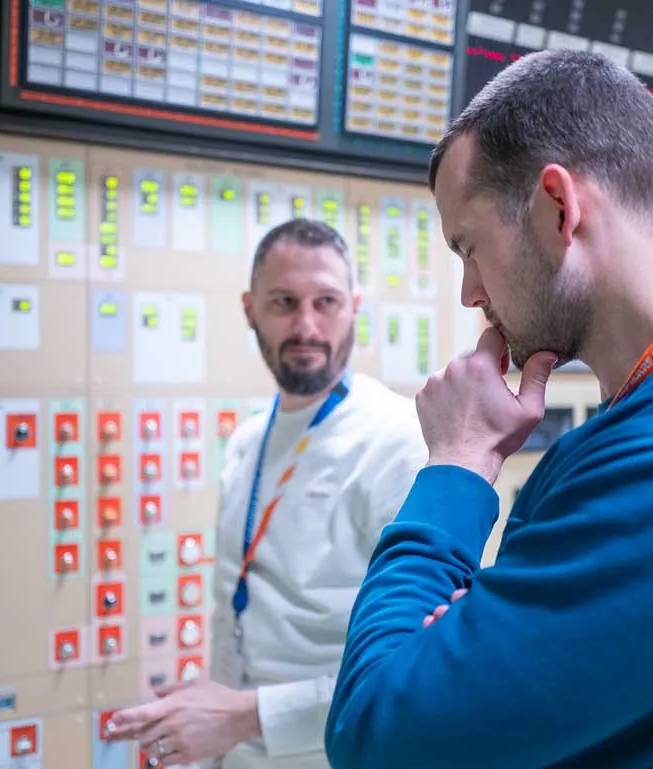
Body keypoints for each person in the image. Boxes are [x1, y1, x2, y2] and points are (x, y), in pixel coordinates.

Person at [324, 49, 653, 768]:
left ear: (558, 207)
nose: (470, 292)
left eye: (469, 247)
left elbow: (379, 734)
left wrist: (458, 461)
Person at [104, 218, 429, 768]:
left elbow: (418, 667)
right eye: (283, 302)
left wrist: (238, 716)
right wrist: (209, 724)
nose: (306, 325)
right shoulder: (247, 441)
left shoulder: (400, 442)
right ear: (249, 309)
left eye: (326, 301)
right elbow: (235, 617)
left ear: (354, 307)